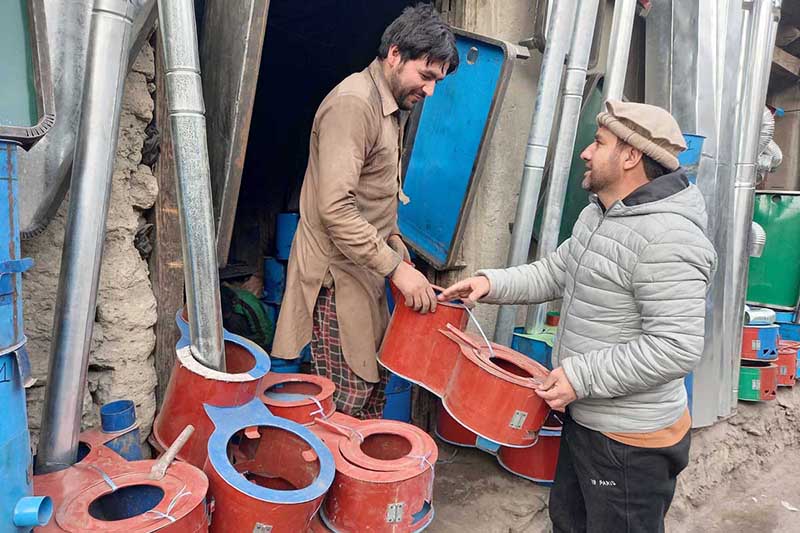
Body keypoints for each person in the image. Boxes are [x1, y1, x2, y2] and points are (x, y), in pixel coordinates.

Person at [440, 101, 717, 532]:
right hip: (587, 418)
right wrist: (490, 283)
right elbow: (556, 271)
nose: (586, 152)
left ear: (630, 157)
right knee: (569, 521)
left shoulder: (670, 239)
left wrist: (579, 377)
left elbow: (675, 347)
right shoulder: (599, 214)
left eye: (598, 142)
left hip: (630, 444)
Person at [273, 5, 459, 419]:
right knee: (344, 406)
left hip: (366, 271)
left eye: (437, 82)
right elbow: (336, 209)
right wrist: (397, 269)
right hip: (335, 280)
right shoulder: (354, 104)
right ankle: (332, 484)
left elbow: (373, 195)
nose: (430, 90)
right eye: (425, 76)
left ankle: (360, 483)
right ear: (395, 54)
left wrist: (394, 242)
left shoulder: (391, 105)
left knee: (371, 394)